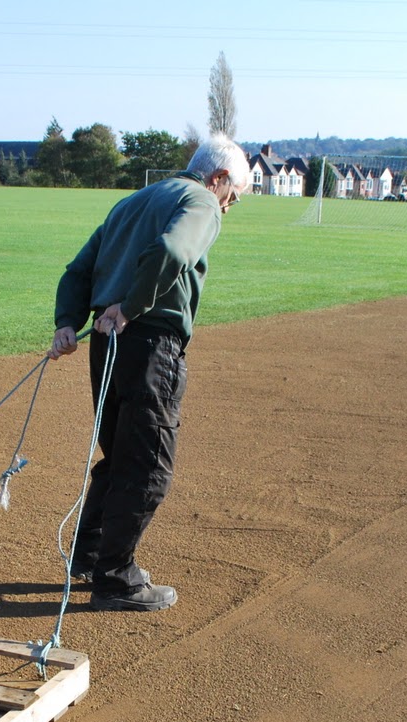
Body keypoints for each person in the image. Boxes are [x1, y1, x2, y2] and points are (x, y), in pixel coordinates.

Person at [45, 133, 252, 612]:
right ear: (217, 178)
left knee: (119, 456)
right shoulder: (199, 199)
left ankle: (92, 554)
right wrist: (132, 306)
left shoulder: (132, 201)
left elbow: (79, 269)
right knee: (147, 467)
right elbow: (173, 252)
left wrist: (66, 323)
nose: (227, 208)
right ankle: (116, 579)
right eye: (232, 196)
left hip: (105, 344)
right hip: (149, 344)